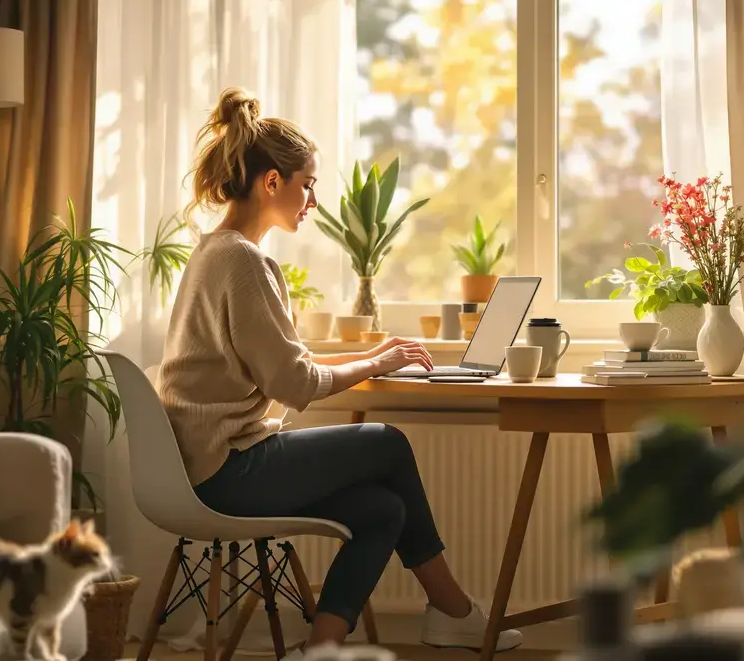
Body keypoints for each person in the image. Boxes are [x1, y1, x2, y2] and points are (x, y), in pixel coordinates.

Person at [156, 87, 524, 655]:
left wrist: (374, 359)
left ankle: (321, 648)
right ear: (271, 182)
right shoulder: (244, 261)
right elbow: (295, 384)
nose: (312, 200)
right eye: (307, 184)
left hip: (206, 467)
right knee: (389, 443)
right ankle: (454, 609)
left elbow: (284, 363)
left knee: (384, 510)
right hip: (228, 472)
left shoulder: (213, 252)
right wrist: (377, 361)